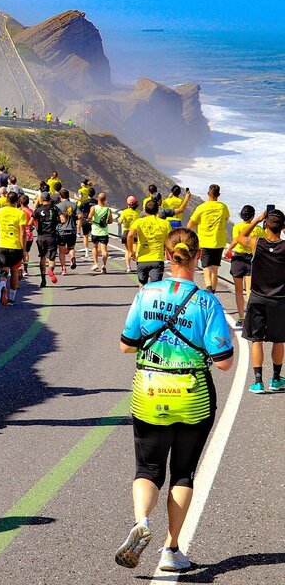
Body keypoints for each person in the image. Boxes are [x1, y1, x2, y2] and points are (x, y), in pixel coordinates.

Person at [116, 228, 233, 572]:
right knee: (183, 473)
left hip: (149, 394)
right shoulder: (207, 302)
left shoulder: (146, 293)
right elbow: (224, 362)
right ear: (198, 257)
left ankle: (141, 521)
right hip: (193, 398)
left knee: (147, 469)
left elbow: (125, 345)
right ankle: (171, 550)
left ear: (167, 257)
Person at [237, 208, 285, 393]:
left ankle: (258, 382)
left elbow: (240, 236)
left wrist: (257, 220)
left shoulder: (256, 243)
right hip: (279, 300)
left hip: (257, 298)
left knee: (256, 339)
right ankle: (276, 379)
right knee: (279, 340)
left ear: (266, 225)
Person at [226, 204, 265, 328]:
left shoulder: (237, 227)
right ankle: (250, 318)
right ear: (253, 216)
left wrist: (228, 249)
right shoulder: (258, 229)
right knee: (250, 291)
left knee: (238, 291)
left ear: (242, 215)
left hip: (238, 259)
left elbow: (236, 240)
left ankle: (241, 318)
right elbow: (264, 241)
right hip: (251, 260)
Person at [187, 184, 230, 293]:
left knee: (206, 271)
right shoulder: (223, 207)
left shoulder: (202, 207)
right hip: (219, 242)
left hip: (205, 242)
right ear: (218, 195)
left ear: (208, 194)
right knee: (215, 271)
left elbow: (189, 225)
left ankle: (209, 290)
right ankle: (213, 293)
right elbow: (226, 219)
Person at [0, 191, 27, 305]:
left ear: (6, 200)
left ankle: (2, 286)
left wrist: (0, 228)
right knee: (15, 272)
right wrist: (24, 250)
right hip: (15, 246)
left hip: (2, 245)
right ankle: (11, 299)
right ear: (17, 201)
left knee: (4, 271)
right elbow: (23, 233)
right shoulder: (20, 213)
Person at [129, 199, 172, 287]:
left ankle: (142, 296)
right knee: (155, 287)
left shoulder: (139, 222)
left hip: (142, 259)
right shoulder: (165, 223)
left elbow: (130, 236)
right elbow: (170, 240)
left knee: (142, 284)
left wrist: (131, 252)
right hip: (157, 259)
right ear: (157, 211)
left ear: (145, 210)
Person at [32, 191, 60, 287]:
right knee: (51, 258)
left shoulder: (38, 210)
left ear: (41, 199)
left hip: (41, 237)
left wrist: (34, 226)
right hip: (52, 236)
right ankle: (50, 270)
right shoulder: (55, 208)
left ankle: (43, 280)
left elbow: (30, 222)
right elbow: (63, 219)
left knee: (42, 257)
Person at [88, 192, 113, 274]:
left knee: (95, 247)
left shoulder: (93, 208)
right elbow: (110, 221)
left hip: (95, 231)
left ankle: (95, 263)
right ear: (105, 199)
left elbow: (89, 217)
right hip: (104, 232)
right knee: (104, 250)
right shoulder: (108, 210)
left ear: (98, 199)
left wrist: (91, 221)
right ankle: (104, 265)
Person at [57, 188, 78, 274]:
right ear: (68, 196)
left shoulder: (57, 206)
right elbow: (80, 216)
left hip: (61, 231)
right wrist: (74, 217)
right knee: (71, 248)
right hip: (72, 230)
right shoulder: (74, 205)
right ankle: (72, 258)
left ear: (60, 196)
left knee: (61, 251)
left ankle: (63, 269)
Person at [119, 196, 140, 273]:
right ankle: (138, 265)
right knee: (136, 250)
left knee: (127, 250)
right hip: (135, 232)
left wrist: (123, 221)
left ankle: (128, 267)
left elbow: (120, 221)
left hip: (126, 232)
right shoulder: (138, 212)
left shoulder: (125, 212)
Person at [80, 187, 98, 260]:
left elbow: (79, 210)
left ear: (88, 194)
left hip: (85, 219)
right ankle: (95, 250)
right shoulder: (96, 202)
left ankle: (87, 252)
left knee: (85, 236)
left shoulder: (84, 202)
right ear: (94, 194)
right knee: (94, 236)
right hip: (94, 220)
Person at [19, 194, 34, 276]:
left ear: (20, 202)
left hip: (21, 233)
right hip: (29, 234)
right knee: (27, 252)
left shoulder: (19, 211)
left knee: (20, 251)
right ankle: (25, 268)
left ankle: (19, 267)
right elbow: (33, 223)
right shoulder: (31, 211)